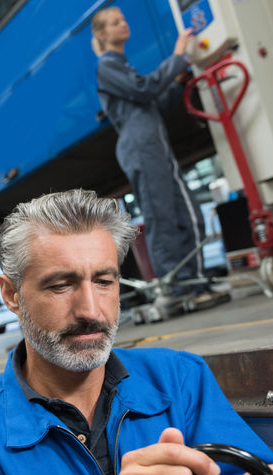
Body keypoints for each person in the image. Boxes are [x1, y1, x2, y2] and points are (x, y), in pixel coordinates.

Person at [0, 189, 273, 475]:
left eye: (104, 282)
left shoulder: (180, 379)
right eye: (61, 285)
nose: (90, 310)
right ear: (12, 294)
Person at [92, 7, 223, 305]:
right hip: (143, 149)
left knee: (184, 216)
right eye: (115, 23)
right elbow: (144, 90)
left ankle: (190, 283)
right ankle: (179, 290)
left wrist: (176, 83)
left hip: (152, 148)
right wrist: (177, 56)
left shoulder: (122, 66)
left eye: (124, 19)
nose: (123, 24)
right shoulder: (107, 66)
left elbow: (152, 105)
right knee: (164, 219)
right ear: (102, 34)